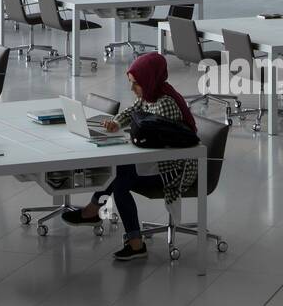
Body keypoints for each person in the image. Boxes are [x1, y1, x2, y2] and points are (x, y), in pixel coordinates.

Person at [61, 51, 199, 262]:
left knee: (120, 181)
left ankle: (133, 242)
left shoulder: (165, 104)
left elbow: (161, 149)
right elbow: (131, 112)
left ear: (149, 80)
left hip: (173, 168)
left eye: (136, 83)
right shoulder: (150, 94)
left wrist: (130, 142)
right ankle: (95, 212)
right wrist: (117, 123)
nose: (131, 88)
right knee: (117, 169)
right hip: (156, 161)